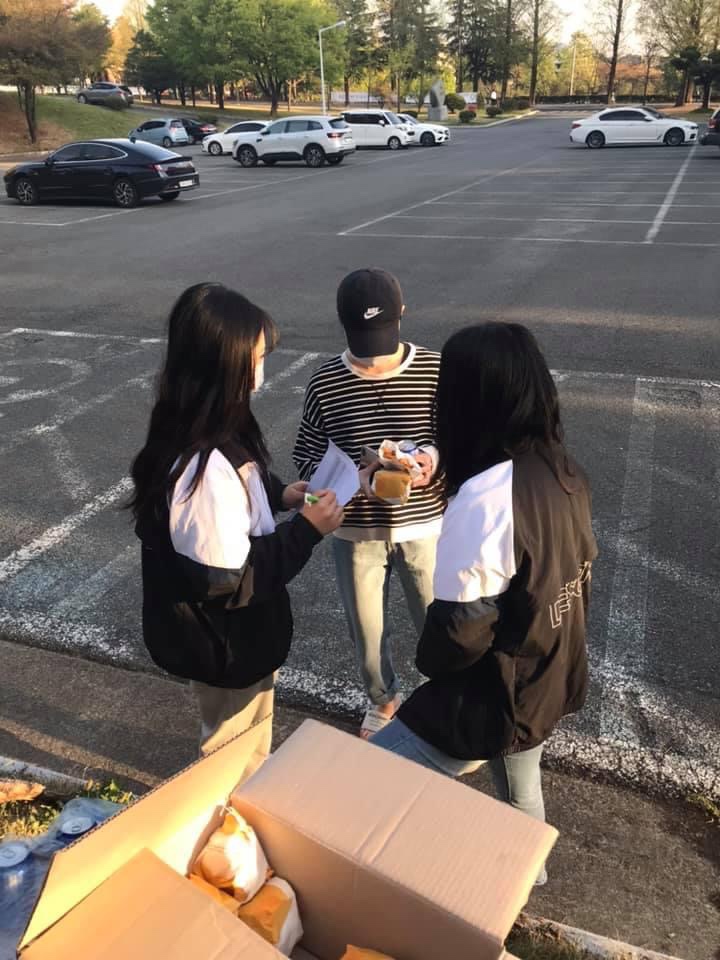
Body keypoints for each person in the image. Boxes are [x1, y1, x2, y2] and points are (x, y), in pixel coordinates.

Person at [372, 322, 597, 881]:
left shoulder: (487, 498)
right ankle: (522, 885)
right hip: (549, 672)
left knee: (367, 781)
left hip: (495, 695)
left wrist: (426, 668)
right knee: (521, 795)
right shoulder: (561, 467)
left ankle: (399, 886)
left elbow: (456, 635)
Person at [130, 282, 343, 756]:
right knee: (234, 752)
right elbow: (228, 579)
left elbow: (242, 478)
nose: (263, 368)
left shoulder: (204, 420)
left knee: (240, 735)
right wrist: (307, 530)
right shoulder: (203, 469)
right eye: (257, 357)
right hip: (226, 644)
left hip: (228, 641)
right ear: (222, 364)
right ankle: (226, 802)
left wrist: (279, 494)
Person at [293, 269, 444, 739]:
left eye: (382, 338)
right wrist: (352, 480)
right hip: (355, 530)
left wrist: (432, 460)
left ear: (402, 315)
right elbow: (305, 454)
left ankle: (447, 696)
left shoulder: (435, 370)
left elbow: (460, 439)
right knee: (366, 628)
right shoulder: (326, 381)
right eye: (364, 342)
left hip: (425, 525)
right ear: (343, 325)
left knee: (438, 622)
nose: (374, 357)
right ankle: (383, 699)